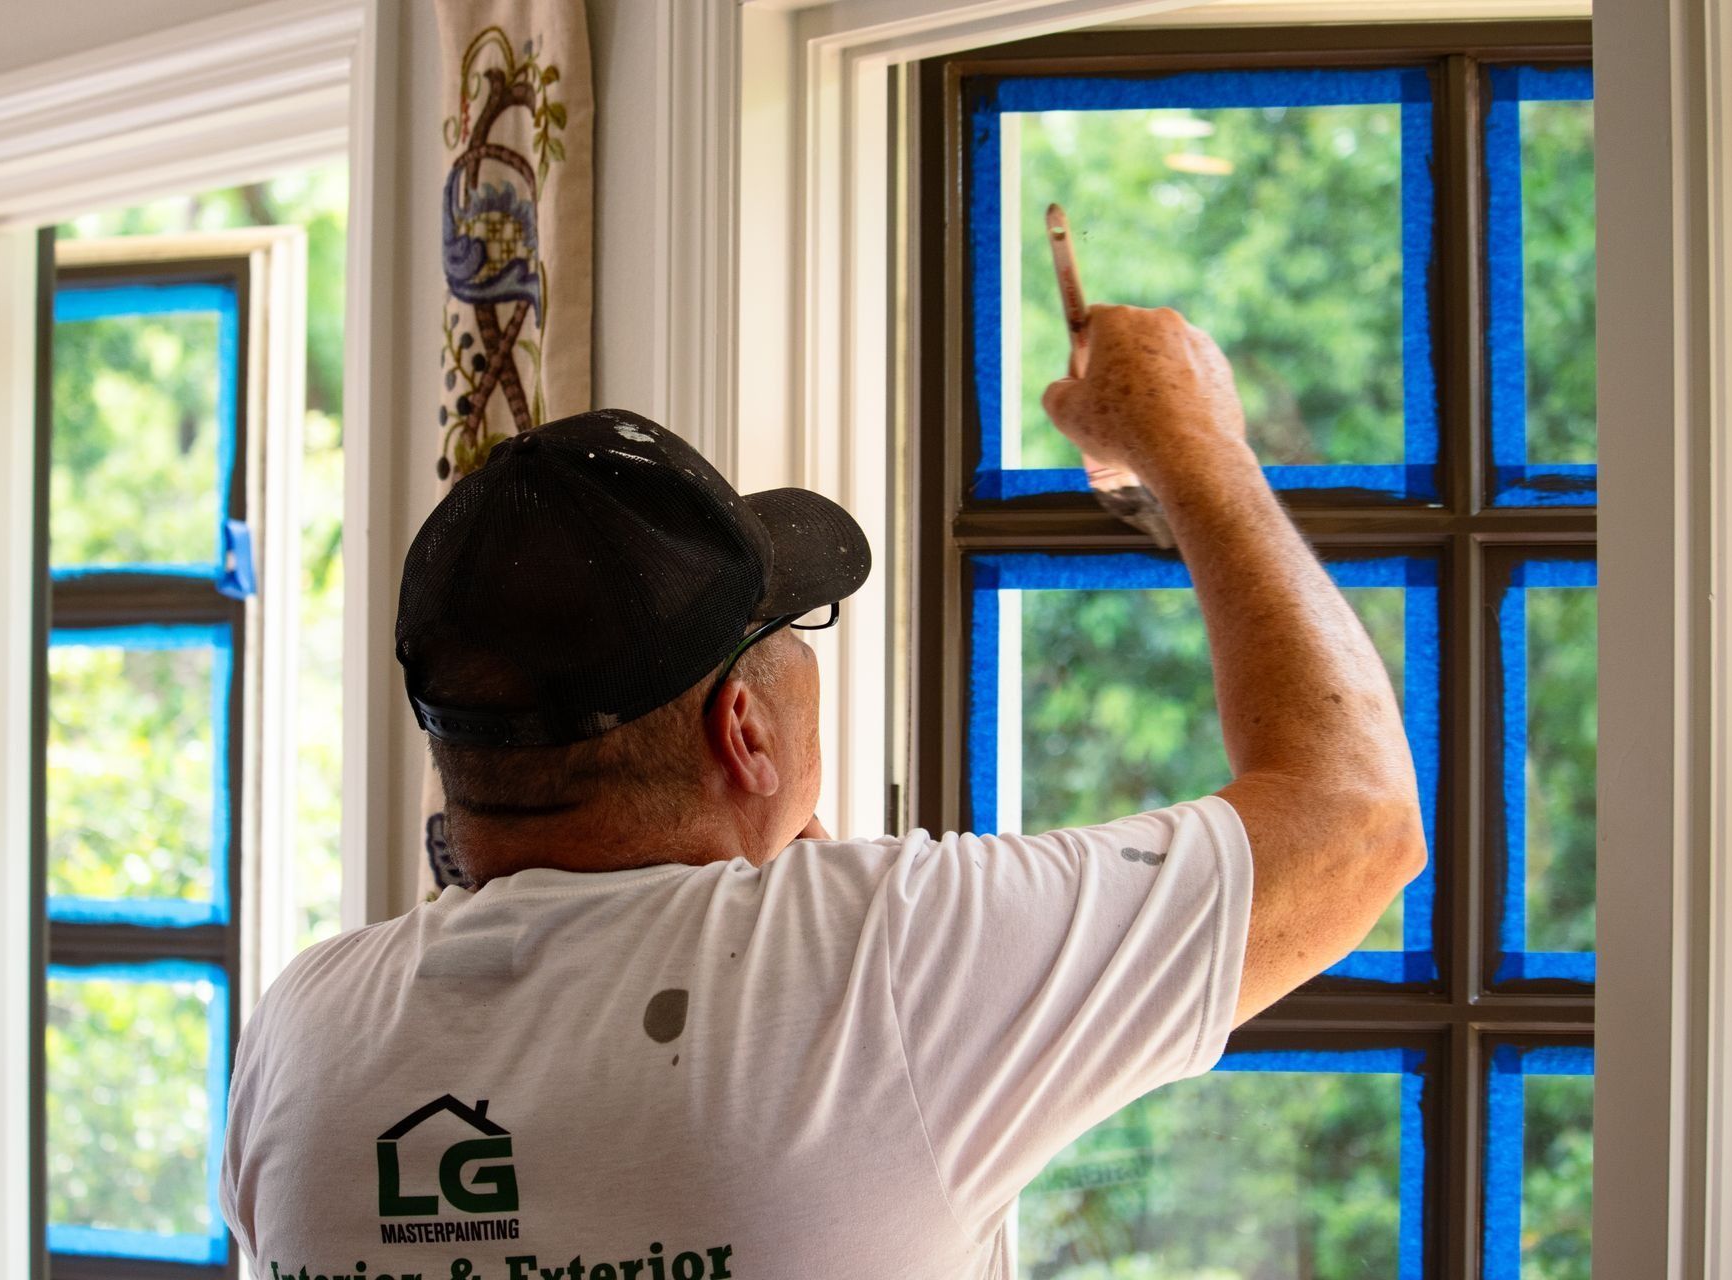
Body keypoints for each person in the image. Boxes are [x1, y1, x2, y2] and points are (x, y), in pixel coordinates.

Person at [221, 305, 1425, 1279]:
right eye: (792, 626)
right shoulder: (876, 965)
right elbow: (1357, 818)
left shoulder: (304, 1034)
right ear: (741, 729)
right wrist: (1190, 438)